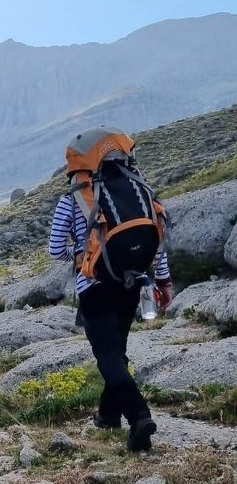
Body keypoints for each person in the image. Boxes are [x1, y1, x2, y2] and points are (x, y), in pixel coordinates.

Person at [49, 130, 173, 452]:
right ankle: (107, 415)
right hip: (130, 282)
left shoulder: (72, 199)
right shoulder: (140, 192)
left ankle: (139, 416)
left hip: (94, 285)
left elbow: (54, 248)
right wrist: (164, 282)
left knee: (107, 356)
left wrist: (78, 259)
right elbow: (158, 238)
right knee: (117, 350)